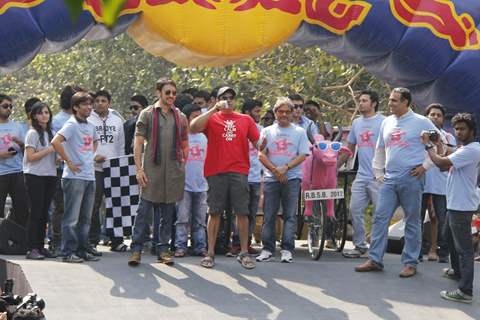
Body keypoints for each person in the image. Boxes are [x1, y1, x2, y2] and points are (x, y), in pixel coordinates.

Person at [355, 87, 438, 277]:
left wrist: (425, 166)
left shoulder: (421, 121)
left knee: (412, 221)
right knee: (380, 217)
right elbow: (380, 149)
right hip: (389, 179)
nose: (390, 103)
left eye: (394, 100)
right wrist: (378, 173)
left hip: (412, 178)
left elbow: (437, 144)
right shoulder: (387, 122)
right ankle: (375, 259)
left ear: (405, 102)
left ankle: (410, 263)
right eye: (390, 100)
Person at [190, 86, 261, 269]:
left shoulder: (245, 119)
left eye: (231, 97)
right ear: (216, 99)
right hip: (215, 171)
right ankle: (210, 253)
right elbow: (193, 127)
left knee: (242, 213)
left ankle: (244, 252)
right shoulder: (212, 118)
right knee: (214, 212)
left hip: (239, 171)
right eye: (224, 97)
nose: (228, 100)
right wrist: (214, 109)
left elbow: (259, 143)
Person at [128, 78, 188, 267]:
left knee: (167, 213)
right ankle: (136, 249)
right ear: (158, 93)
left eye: (173, 93)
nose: (171, 96)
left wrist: (183, 161)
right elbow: (138, 143)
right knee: (143, 211)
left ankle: (162, 249)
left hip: (173, 172)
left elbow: (185, 141)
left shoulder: (181, 117)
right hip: (151, 171)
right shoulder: (147, 115)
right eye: (167, 92)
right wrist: (139, 169)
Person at [422, 113, 479, 303]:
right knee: (448, 236)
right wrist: (438, 146)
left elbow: (440, 162)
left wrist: (428, 145)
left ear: (472, 131)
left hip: (462, 205)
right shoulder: (463, 148)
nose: (459, 132)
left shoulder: (471, 150)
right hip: (455, 202)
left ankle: (465, 291)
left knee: (464, 249)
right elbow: (444, 167)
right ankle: (456, 271)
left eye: (463, 129)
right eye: (456, 129)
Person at [256, 97, 310, 263]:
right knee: (269, 215)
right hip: (272, 178)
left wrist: (285, 168)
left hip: (292, 178)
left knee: (290, 215)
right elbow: (261, 153)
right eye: (281, 111)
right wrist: (275, 170)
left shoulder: (299, 132)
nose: (284, 114)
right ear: (275, 113)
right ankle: (267, 249)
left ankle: (287, 249)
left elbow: (303, 154)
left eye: (287, 111)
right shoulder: (267, 131)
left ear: (293, 113)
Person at [51, 92, 100, 263]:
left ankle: (81, 249)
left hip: (89, 176)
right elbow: (55, 142)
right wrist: (69, 161)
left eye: (90, 104)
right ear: (76, 107)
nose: (89, 107)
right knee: (71, 218)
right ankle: (68, 252)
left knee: (86, 218)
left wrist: (89, 157)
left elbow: (95, 141)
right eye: (85, 104)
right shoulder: (71, 124)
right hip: (74, 177)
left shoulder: (91, 126)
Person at [338, 90, 385, 258]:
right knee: (354, 210)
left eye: (364, 100)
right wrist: (334, 167)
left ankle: (376, 250)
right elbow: (348, 150)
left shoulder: (384, 122)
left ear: (374, 103)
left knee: (380, 214)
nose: (361, 103)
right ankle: (360, 246)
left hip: (379, 177)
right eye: (360, 100)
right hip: (361, 175)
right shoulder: (357, 123)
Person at [88, 90, 126, 253]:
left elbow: (122, 145)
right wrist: (94, 157)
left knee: (116, 205)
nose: (100, 103)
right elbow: (85, 145)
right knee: (93, 205)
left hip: (115, 168)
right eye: (97, 101)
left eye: (104, 100)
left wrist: (121, 164)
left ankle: (117, 240)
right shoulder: (88, 120)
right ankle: (92, 241)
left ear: (109, 103)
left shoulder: (117, 121)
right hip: (95, 168)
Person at [49, 85, 84, 254]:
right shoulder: (57, 120)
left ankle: (76, 243)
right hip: (61, 169)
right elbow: (55, 145)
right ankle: (56, 241)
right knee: (61, 207)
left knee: (77, 208)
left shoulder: (82, 120)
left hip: (80, 171)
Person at [420, 103, 456, 263]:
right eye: (432, 114)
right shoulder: (418, 135)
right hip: (420, 182)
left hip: (441, 185)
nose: (435, 117)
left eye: (438, 115)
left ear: (442, 119)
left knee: (443, 219)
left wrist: (439, 142)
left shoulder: (448, 137)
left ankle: (444, 252)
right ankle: (417, 251)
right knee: (417, 218)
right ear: (426, 117)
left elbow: (448, 157)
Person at [228, 99, 264, 256]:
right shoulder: (237, 127)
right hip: (239, 175)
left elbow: (263, 152)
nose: (259, 114)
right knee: (239, 212)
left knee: (251, 212)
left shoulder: (262, 130)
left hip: (256, 177)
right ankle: (236, 243)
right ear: (248, 112)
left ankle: (246, 243)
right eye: (256, 111)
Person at [23, 102, 58, 260]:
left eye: (47, 112)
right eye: (41, 113)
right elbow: (30, 157)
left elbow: (54, 156)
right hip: (34, 176)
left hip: (50, 175)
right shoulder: (32, 133)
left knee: (45, 213)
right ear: (34, 116)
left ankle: (41, 247)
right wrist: (50, 150)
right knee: (35, 213)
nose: (45, 115)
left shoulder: (52, 133)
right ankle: (32, 248)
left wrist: (58, 158)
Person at [174, 104, 208, 257]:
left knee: (200, 219)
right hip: (184, 185)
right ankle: (180, 246)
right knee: (182, 218)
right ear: (186, 119)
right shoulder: (180, 138)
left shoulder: (205, 138)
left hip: (202, 184)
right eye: (195, 117)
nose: (199, 121)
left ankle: (199, 246)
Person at [0, 94, 28, 226]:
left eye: (11, 106)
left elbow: (26, 150)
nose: (9, 109)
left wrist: (21, 144)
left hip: (17, 171)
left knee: (22, 207)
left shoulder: (17, 126)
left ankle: (20, 241)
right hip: (1, 173)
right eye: (5, 106)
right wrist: (2, 154)